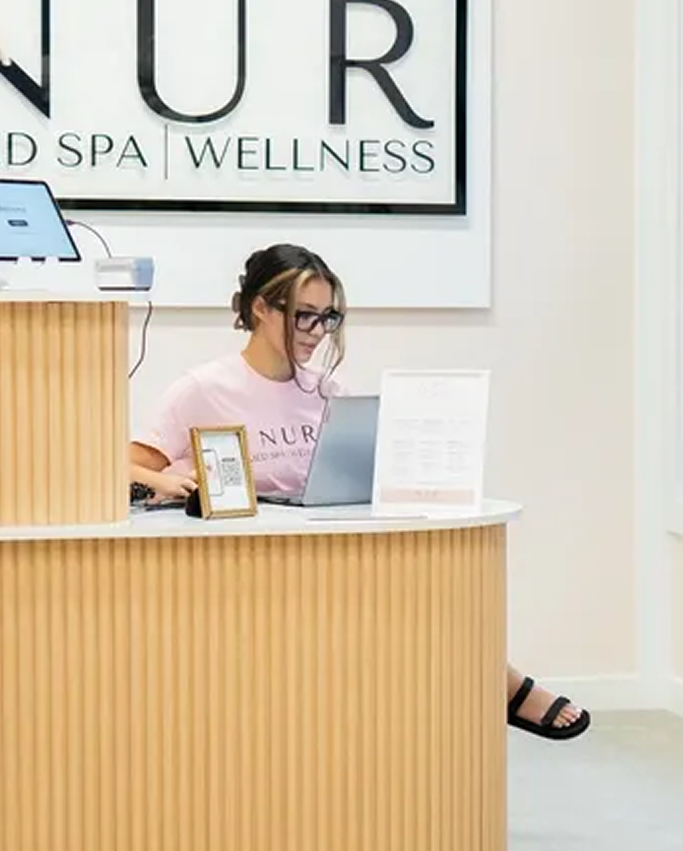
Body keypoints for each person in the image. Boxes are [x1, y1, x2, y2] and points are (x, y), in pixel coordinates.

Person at [128, 242, 590, 742]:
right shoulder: (203, 387)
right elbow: (124, 464)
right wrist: (166, 481)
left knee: (432, 575)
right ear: (260, 308)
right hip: (253, 565)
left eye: (328, 318)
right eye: (304, 316)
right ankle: (501, 683)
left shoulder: (329, 390)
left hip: (328, 552)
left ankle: (486, 679)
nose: (318, 333)